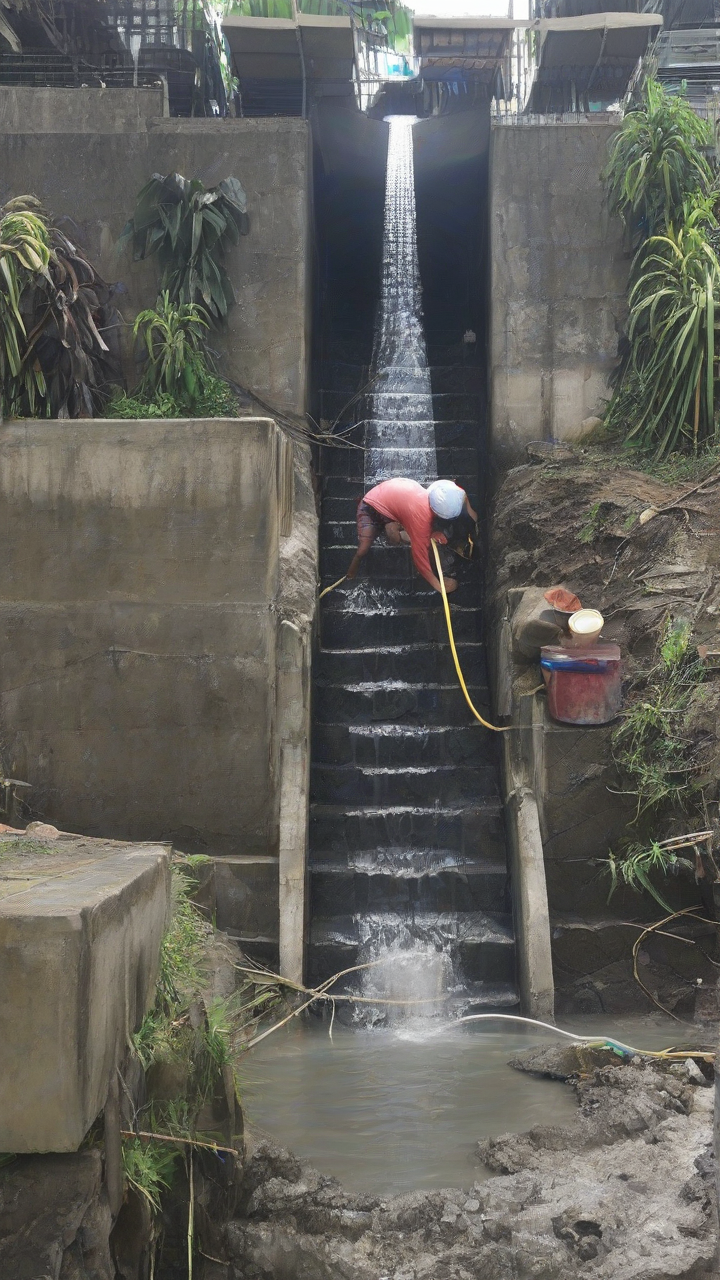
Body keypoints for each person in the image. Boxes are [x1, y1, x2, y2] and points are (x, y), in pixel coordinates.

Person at [346, 477, 478, 594]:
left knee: (396, 537)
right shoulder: (422, 519)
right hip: (371, 505)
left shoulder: (451, 491)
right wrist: (439, 586)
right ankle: (350, 575)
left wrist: (474, 524)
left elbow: (463, 498)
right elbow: (421, 561)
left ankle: (394, 529)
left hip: (394, 504)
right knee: (363, 548)